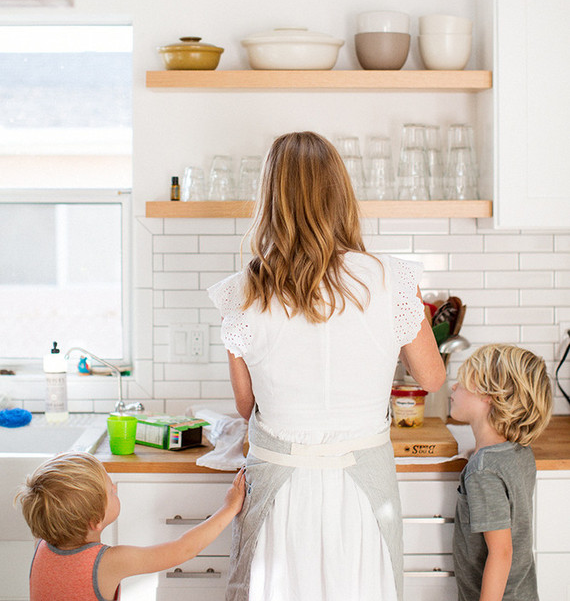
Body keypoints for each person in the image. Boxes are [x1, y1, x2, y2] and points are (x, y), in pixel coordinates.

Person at [207, 131, 445, 601]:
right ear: (341, 194)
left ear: (270, 201)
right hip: (363, 492)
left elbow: (246, 406)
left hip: (280, 492)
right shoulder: (392, 278)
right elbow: (432, 377)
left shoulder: (242, 291)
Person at [15, 451, 245, 601]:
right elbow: (183, 549)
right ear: (95, 520)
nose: (115, 488)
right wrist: (229, 507)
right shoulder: (106, 562)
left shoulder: (40, 544)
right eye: (110, 490)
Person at [450, 343, 553, 601]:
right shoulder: (518, 451)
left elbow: (501, 553)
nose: (453, 387)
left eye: (462, 383)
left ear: (489, 395)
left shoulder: (483, 471)